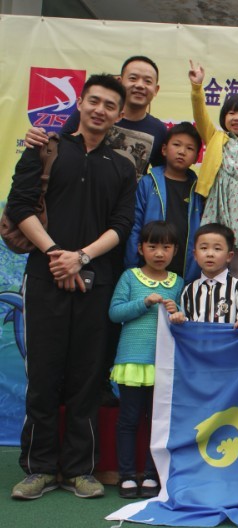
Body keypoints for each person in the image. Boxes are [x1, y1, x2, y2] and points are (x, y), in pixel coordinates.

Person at [7, 74, 136, 500]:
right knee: (43, 375)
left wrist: (80, 257)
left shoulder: (122, 166)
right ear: (79, 103)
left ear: (119, 115)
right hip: (44, 277)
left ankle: (81, 469)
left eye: (110, 105)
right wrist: (55, 254)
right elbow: (19, 207)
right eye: (94, 101)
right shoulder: (44, 148)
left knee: (88, 377)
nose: (100, 110)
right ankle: (39, 468)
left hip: (97, 282)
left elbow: (121, 225)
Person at [109, 221, 184, 499]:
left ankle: (153, 474)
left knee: (158, 421)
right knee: (128, 420)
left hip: (163, 364)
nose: (159, 253)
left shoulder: (178, 282)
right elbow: (115, 313)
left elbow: (183, 320)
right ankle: (127, 475)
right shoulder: (130, 277)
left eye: (166, 247)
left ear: (175, 251)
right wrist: (144, 303)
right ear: (140, 249)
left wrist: (178, 312)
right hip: (132, 362)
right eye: (152, 246)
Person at [25, 55, 167, 177]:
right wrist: (37, 140)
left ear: (156, 90)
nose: (140, 85)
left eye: (148, 81)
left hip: (128, 199)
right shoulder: (90, 114)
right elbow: (59, 147)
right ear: (120, 81)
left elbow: (164, 173)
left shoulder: (159, 129)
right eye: (133, 78)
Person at [189, 61, 238, 280]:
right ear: (224, 117)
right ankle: (207, 294)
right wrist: (197, 88)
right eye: (231, 113)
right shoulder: (215, 138)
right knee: (211, 254)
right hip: (216, 203)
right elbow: (200, 115)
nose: (237, 118)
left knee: (236, 260)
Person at [125, 122, 204, 282]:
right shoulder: (148, 183)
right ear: (164, 149)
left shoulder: (200, 190)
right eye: (176, 145)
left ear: (196, 157)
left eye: (189, 148)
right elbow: (135, 227)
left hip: (186, 273)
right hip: (147, 272)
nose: (182, 151)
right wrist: (132, 269)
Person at [170, 223, 238, 328]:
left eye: (217, 249)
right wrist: (179, 319)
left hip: (228, 339)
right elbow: (186, 326)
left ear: (229, 256)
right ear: (195, 255)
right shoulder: (189, 290)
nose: (210, 254)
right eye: (204, 248)